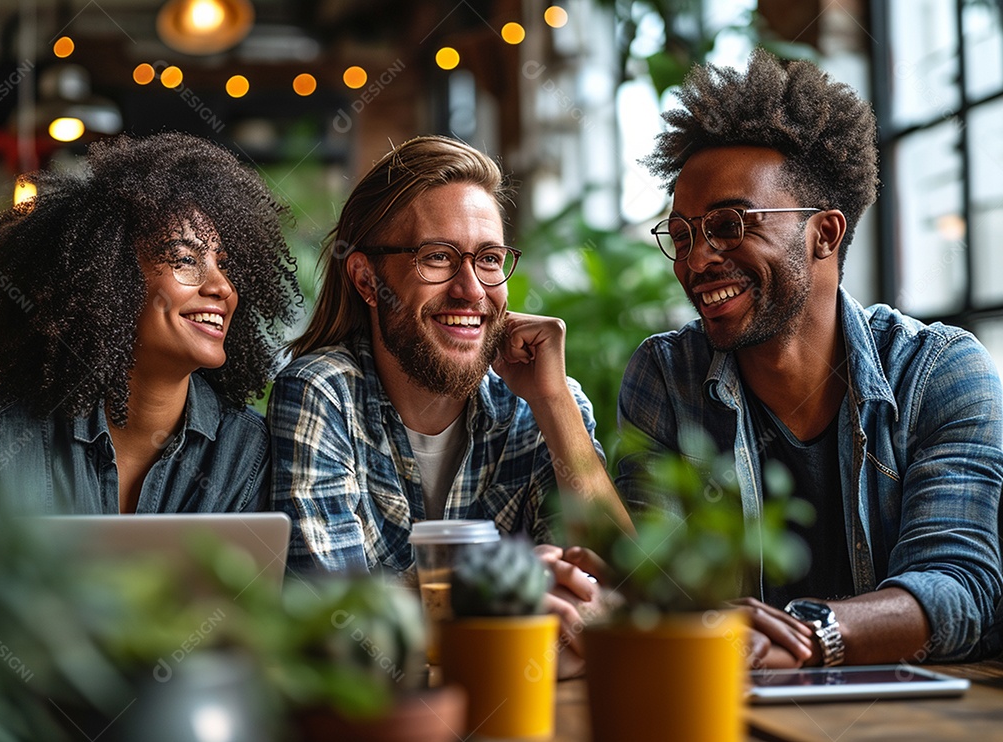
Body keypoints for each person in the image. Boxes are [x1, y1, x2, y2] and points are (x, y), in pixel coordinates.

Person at [618, 49, 1002, 667]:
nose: (695, 263)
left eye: (730, 225)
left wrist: (806, 636)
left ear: (825, 233)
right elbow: (644, 580)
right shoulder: (666, 377)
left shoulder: (941, 374)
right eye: (684, 235)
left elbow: (959, 586)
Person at [269, 135, 626, 669]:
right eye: (437, 257)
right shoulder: (323, 395)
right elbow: (330, 619)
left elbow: (620, 590)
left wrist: (553, 402)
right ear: (368, 279)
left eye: (488, 259)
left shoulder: (543, 404)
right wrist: (486, 595)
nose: (471, 290)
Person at [0, 132, 302, 515]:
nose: (222, 287)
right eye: (186, 260)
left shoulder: (245, 449)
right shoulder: (2, 437)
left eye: (224, 265)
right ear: (110, 278)